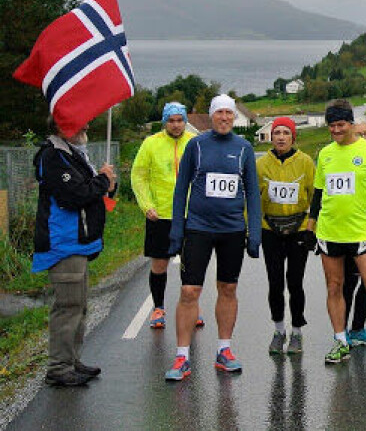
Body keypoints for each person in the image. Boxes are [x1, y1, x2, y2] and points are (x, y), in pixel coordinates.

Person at [164, 94, 262, 381]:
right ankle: (182, 356)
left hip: (232, 230)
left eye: (229, 114)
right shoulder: (196, 145)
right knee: (189, 291)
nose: (224, 118)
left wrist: (253, 232)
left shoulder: (244, 148)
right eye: (219, 113)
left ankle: (224, 350)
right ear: (212, 116)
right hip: (198, 228)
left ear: (234, 117)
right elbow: (181, 190)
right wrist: (176, 231)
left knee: (228, 289)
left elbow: (253, 194)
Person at [307, 99, 366, 369]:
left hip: (361, 231)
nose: (335, 130)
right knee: (335, 287)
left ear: (350, 123)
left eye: (340, 125)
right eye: (331, 126)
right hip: (330, 231)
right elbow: (318, 194)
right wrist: (310, 230)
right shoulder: (325, 154)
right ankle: (340, 341)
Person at [33, 119, 116, 386]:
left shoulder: (71, 155)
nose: (87, 128)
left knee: (79, 306)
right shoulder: (53, 156)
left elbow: (89, 192)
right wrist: (102, 179)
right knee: (68, 307)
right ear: (62, 125)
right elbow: (74, 195)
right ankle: (58, 368)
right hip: (63, 243)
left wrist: (105, 184)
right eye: (80, 124)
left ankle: (71, 361)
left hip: (77, 243)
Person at [130, 102, 204, 330]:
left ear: (185, 121)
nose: (176, 125)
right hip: (160, 215)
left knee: (190, 266)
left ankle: (192, 307)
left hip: (189, 215)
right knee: (159, 265)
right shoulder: (150, 143)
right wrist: (146, 205)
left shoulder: (195, 142)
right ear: (165, 122)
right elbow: (139, 176)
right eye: (171, 120)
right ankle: (158, 308)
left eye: (180, 120)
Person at [257, 117, 315, 355]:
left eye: (286, 133)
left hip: (298, 228)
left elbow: (314, 196)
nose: (281, 137)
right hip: (270, 228)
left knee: (295, 282)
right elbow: (251, 197)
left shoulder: (306, 162)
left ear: (293, 137)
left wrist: (312, 228)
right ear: (271, 137)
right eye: (277, 133)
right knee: (275, 282)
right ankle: (279, 329)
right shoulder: (261, 164)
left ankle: (297, 332)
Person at [341, 120, 366, 347]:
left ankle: (358, 328)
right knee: (347, 282)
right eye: (359, 134)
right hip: (348, 230)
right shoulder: (345, 158)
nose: (363, 138)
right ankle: (341, 330)